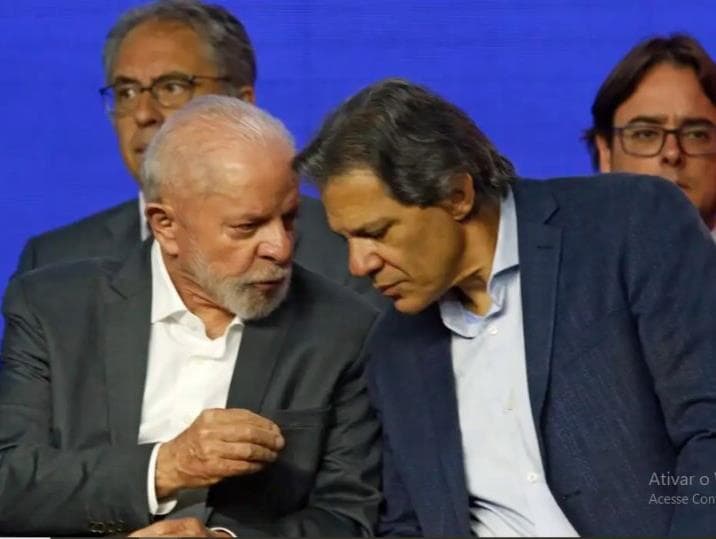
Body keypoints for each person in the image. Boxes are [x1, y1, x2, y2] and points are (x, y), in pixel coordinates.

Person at [294, 78, 716, 537]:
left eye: (376, 233)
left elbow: (708, 429)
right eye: (347, 240)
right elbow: (407, 524)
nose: (359, 265)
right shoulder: (393, 347)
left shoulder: (628, 224)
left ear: (456, 194)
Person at [0, 95, 381, 537]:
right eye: (247, 227)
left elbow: (350, 516)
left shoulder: (344, 329)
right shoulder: (53, 309)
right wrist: (164, 467)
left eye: (289, 218)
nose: (280, 248)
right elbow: (9, 482)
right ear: (165, 225)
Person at [16, 0, 381, 306]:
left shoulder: (346, 253)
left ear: (241, 103)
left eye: (172, 87)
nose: (143, 114)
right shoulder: (52, 263)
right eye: (126, 92)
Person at [584, 33, 716, 240]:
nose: (672, 153)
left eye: (696, 135)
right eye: (645, 134)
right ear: (606, 154)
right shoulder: (560, 257)